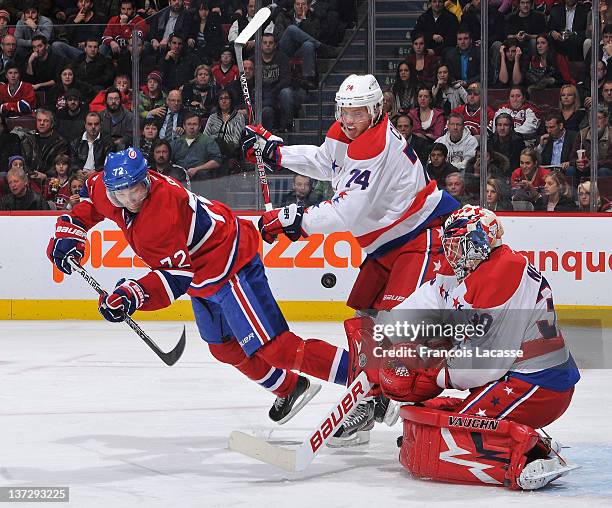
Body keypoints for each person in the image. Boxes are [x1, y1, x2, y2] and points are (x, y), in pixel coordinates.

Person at [46, 147, 350, 425]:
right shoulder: (108, 187)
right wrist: (71, 232)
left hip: (229, 263)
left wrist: (132, 295)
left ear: (147, 181)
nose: (131, 200)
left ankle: (368, 374)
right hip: (200, 277)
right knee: (223, 348)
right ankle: (290, 387)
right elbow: (89, 197)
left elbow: (176, 277)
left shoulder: (161, 213)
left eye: (137, 189)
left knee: (276, 349)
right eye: (121, 194)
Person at [243, 73, 460, 441]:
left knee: (396, 323)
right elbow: (326, 163)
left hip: (420, 236)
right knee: (363, 317)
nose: (348, 120)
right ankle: (373, 395)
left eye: (357, 113)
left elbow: (346, 212)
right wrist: (277, 153)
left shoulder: (375, 146)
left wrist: (293, 218)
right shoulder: (349, 133)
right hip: (386, 245)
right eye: (344, 111)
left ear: (377, 111)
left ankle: (402, 400)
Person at [366, 205, 580, 490]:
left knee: (456, 434)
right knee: (439, 415)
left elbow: (486, 363)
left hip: (538, 384)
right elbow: (429, 299)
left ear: (482, 240)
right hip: (516, 377)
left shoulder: (500, 275)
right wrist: (386, 335)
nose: (453, 254)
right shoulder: (474, 265)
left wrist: (431, 371)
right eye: (450, 246)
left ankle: (530, 454)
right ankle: (522, 438)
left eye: (459, 245)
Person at [171, 112, 222, 180]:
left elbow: (217, 161)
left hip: (200, 178)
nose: (191, 127)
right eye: (189, 124)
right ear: (184, 126)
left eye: (195, 124)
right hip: (179, 177)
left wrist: (197, 169)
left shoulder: (208, 141)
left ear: (199, 127)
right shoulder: (177, 142)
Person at [203, 90, 246, 160]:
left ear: (231, 100)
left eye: (226, 98)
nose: (224, 101)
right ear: (218, 102)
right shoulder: (212, 117)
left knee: (218, 142)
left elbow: (236, 141)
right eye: (221, 99)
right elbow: (205, 136)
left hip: (230, 150)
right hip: (212, 148)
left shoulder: (239, 117)